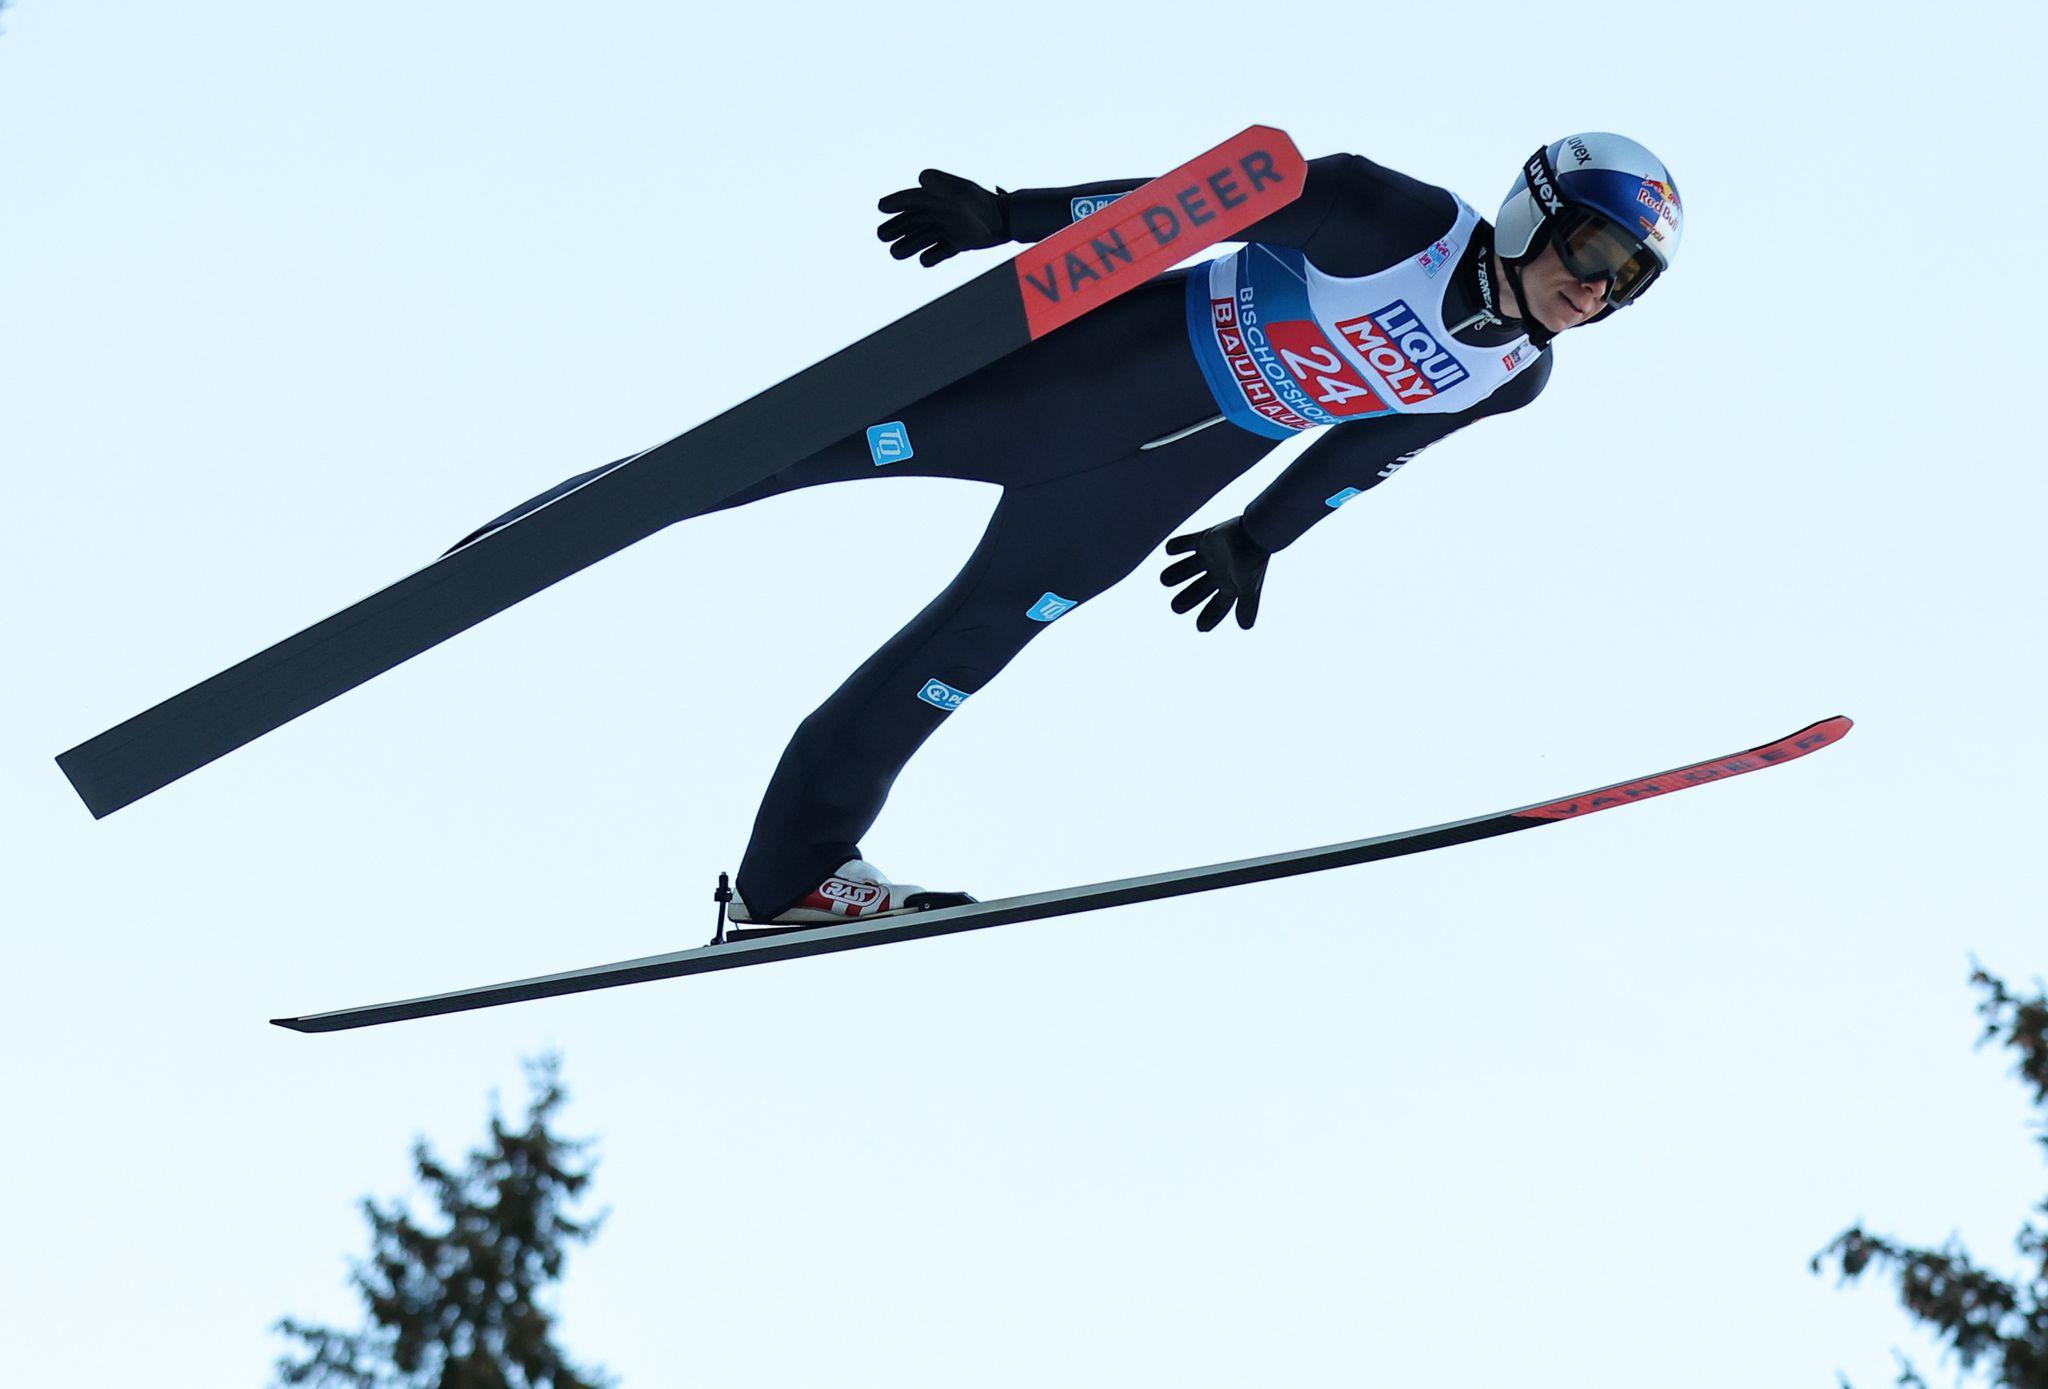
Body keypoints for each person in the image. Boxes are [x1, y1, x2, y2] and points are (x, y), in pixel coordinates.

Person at [459, 133, 1684, 927]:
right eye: (1592, 250)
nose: (1596, 287)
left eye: (1627, 282)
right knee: (776, 453)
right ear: (1536, 211)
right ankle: (498, 559)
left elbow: (1372, 446)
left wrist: (1261, 536)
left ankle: (788, 878)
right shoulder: (1391, 220)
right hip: (1094, 381)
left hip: (1157, 482)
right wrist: (1008, 215)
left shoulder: (1511, 375)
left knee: (962, 654)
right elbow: (1194, 209)